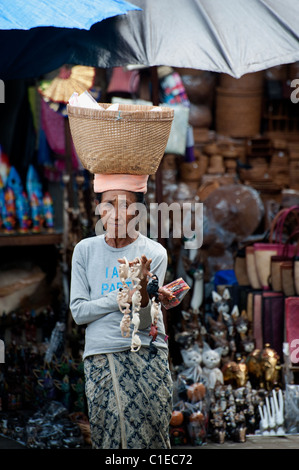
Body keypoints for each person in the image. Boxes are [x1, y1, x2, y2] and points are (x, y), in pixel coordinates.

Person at [70, 175, 173, 449]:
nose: (115, 214)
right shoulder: (85, 251)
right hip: (102, 357)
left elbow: (146, 324)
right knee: (111, 441)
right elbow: (79, 312)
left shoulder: (154, 253)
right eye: (107, 205)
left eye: (125, 205)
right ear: (98, 208)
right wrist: (120, 298)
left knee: (152, 439)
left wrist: (142, 293)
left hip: (148, 356)